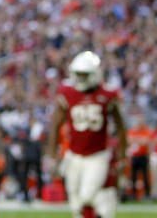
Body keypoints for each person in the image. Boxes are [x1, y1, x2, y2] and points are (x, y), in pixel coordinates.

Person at [46, 51, 127, 218]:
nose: (81, 78)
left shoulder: (107, 94)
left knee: (87, 195)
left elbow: (120, 127)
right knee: (75, 204)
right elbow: (55, 125)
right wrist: (52, 154)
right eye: (78, 74)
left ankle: (104, 208)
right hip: (74, 155)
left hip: (97, 154)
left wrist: (122, 154)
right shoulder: (67, 92)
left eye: (85, 75)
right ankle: (103, 211)